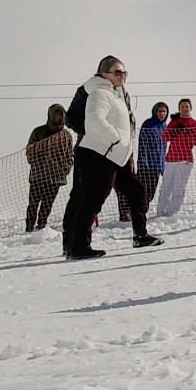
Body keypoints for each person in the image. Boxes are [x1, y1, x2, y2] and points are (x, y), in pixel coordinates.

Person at [58, 56, 164, 258]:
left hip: (117, 153)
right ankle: (74, 246)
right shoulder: (93, 91)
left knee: (135, 190)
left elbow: (126, 124)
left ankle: (140, 235)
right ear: (103, 74)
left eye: (124, 72)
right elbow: (77, 119)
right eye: (117, 72)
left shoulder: (119, 92)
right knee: (85, 198)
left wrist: (125, 148)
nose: (122, 76)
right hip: (95, 151)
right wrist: (112, 139)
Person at [24, 103, 74, 233]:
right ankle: (29, 228)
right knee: (33, 204)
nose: (58, 117)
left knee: (47, 204)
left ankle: (41, 227)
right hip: (38, 176)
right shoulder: (38, 132)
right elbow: (29, 151)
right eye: (55, 114)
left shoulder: (66, 136)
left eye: (60, 114)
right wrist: (38, 162)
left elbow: (70, 155)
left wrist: (65, 169)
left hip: (56, 178)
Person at [119, 101, 169, 220]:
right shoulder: (148, 124)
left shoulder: (164, 126)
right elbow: (143, 144)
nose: (162, 113)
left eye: (164, 111)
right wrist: (143, 162)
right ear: (154, 112)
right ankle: (136, 213)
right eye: (159, 111)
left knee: (150, 193)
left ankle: (140, 213)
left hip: (157, 166)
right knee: (142, 191)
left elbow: (163, 147)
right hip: (146, 165)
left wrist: (162, 165)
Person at [157, 98, 196, 217]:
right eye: (182, 106)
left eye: (187, 106)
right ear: (179, 108)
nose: (184, 108)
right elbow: (165, 137)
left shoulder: (195, 123)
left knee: (179, 187)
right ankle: (160, 212)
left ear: (190, 108)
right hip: (171, 158)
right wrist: (175, 131)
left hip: (185, 159)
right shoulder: (174, 122)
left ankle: (172, 213)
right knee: (166, 186)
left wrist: (186, 132)